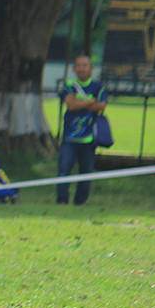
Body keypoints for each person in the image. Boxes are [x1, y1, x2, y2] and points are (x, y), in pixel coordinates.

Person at [57, 54, 107, 205]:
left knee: (86, 171)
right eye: (78, 65)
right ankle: (62, 199)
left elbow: (101, 106)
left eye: (85, 65)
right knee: (64, 168)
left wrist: (82, 102)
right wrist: (90, 101)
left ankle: (80, 201)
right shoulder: (69, 85)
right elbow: (71, 106)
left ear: (91, 68)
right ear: (74, 68)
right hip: (69, 136)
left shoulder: (98, 86)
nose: (81, 68)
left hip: (89, 137)